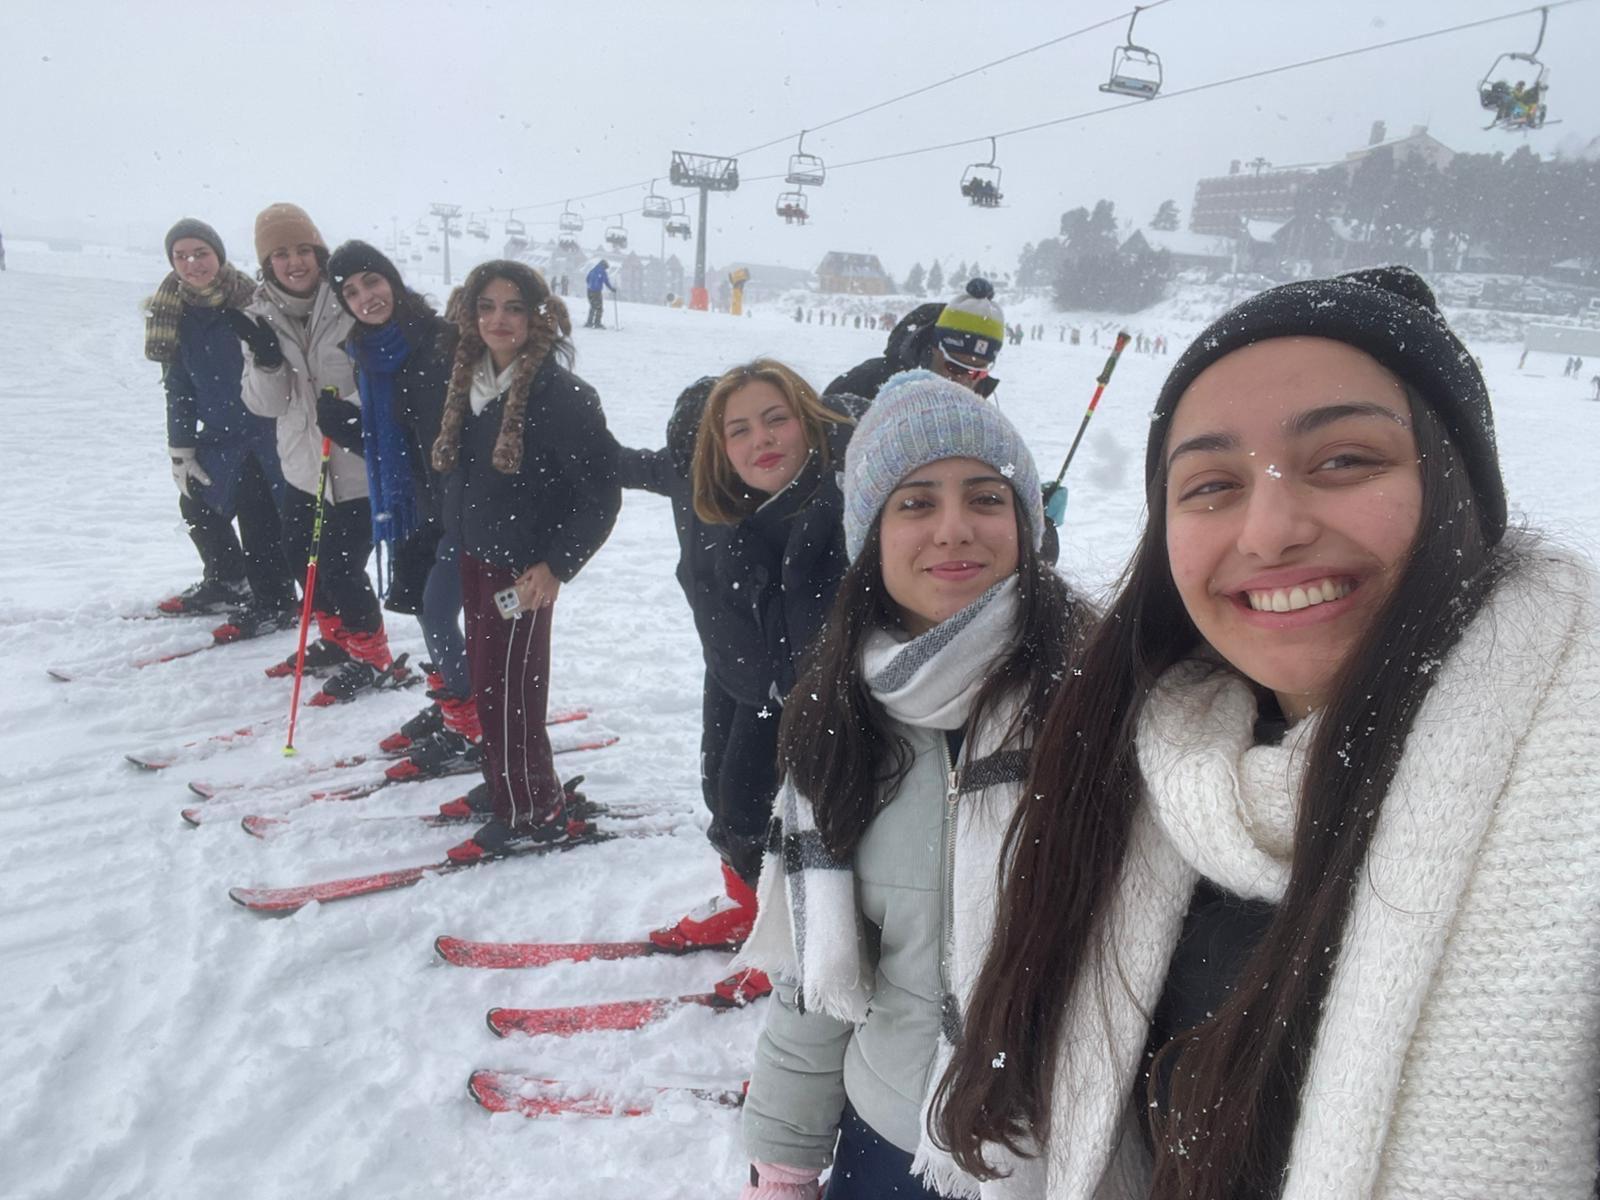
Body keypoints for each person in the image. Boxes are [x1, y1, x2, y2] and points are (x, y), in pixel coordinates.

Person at [935, 267, 1600, 1197]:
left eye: (1343, 461)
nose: (1271, 529)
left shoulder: (1579, 799)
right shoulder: (1130, 772)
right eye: (1211, 483)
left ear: (1458, 487)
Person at [735, 370, 1090, 1200]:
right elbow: (817, 975)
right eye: (916, 502)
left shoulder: (1107, 695)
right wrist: (784, 1158)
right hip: (893, 1141)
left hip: (1073, 1146)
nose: (953, 528)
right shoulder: (838, 722)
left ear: (1028, 522)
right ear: (874, 536)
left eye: (986, 497)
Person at [648, 360, 856, 1004]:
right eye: (739, 430)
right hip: (737, 678)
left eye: (775, 420)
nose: (760, 440)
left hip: (818, 704)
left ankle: (790, 941)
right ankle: (748, 910)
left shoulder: (846, 502)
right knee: (729, 803)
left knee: (789, 829)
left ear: (808, 421)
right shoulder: (724, 503)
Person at [431, 260, 621, 863]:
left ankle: (531, 810)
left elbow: (600, 493)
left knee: (511, 690)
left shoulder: (561, 397)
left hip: (523, 571)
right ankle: (508, 781)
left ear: (537, 317)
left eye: (513, 307)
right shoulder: (468, 382)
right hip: (476, 557)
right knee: (491, 685)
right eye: (486, 306)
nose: (498, 319)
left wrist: (557, 564)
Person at [231, 204, 402, 704]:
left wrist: (347, 411)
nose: (294, 262)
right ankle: (337, 640)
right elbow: (266, 405)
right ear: (267, 263)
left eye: (303, 249)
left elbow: (391, 375)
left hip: (359, 470)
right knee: (299, 557)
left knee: (341, 567)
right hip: (303, 466)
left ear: (318, 252)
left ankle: (373, 657)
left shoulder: (351, 298)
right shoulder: (258, 315)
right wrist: (266, 362)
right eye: (280, 254)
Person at [326, 240, 480, 777]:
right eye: (350, 292)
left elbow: (457, 431)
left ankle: (473, 724)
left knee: (439, 610)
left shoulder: (439, 341)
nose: (365, 297)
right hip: (419, 504)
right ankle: (456, 702)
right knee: (422, 607)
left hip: (463, 503)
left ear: (391, 278)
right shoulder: (368, 353)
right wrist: (347, 427)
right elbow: (401, 438)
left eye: (372, 282)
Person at [145, 218, 296, 630]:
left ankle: (276, 601)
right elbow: (179, 387)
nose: (192, 263)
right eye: (182, 256)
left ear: (219, 256)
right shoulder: (174, 311)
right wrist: (181, 449)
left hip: (262, 430)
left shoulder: (250, 302)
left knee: (258, 515)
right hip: (217, 435)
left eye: (201, 253)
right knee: (194, 501)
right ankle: (229, 580)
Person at [825, 278, 1005, 404]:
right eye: (955, 367)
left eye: (978, 373)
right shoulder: (865, 385)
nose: (965, 381)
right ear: (935, 348)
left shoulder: (978, 405)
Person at [584, 258, 615, 329]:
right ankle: (597, 323)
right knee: (599, 308)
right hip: (596, 292)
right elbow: (606, 282)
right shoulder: (602, 272)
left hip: (589, 291)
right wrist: (612, 289)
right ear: (604, 266)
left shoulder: (593, 270)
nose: (606, 269)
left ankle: (589, 323)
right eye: (606, 268)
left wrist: (591, 286)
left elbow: (587, 279)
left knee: (593, 306)